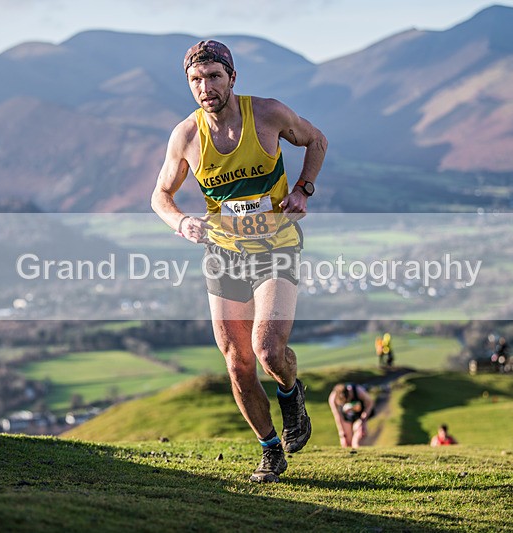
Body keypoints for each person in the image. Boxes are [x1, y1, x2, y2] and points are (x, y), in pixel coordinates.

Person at [151, 40, 328, 483]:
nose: (206, 86)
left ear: (232, 77)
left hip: (276, 246)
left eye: (214, 76)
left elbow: (317, 140)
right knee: (236, 361)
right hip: (224, 255)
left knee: (268, 350)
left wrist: (303, 189)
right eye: (196, 79)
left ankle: (291, 393)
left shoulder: (267, 114)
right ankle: (270, 449)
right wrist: (180, 222)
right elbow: (160, 196)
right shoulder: (187, 135)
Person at [329, 383, 375, 449]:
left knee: (357, 440)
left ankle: (359, 454)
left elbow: (370, 403)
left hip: (359, 416)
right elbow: (337, 416)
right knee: (346, 442)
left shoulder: (358, 391)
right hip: (346, 418)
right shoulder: (333, 398)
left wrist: (363, 420)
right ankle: (349, 457)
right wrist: (342, 434)